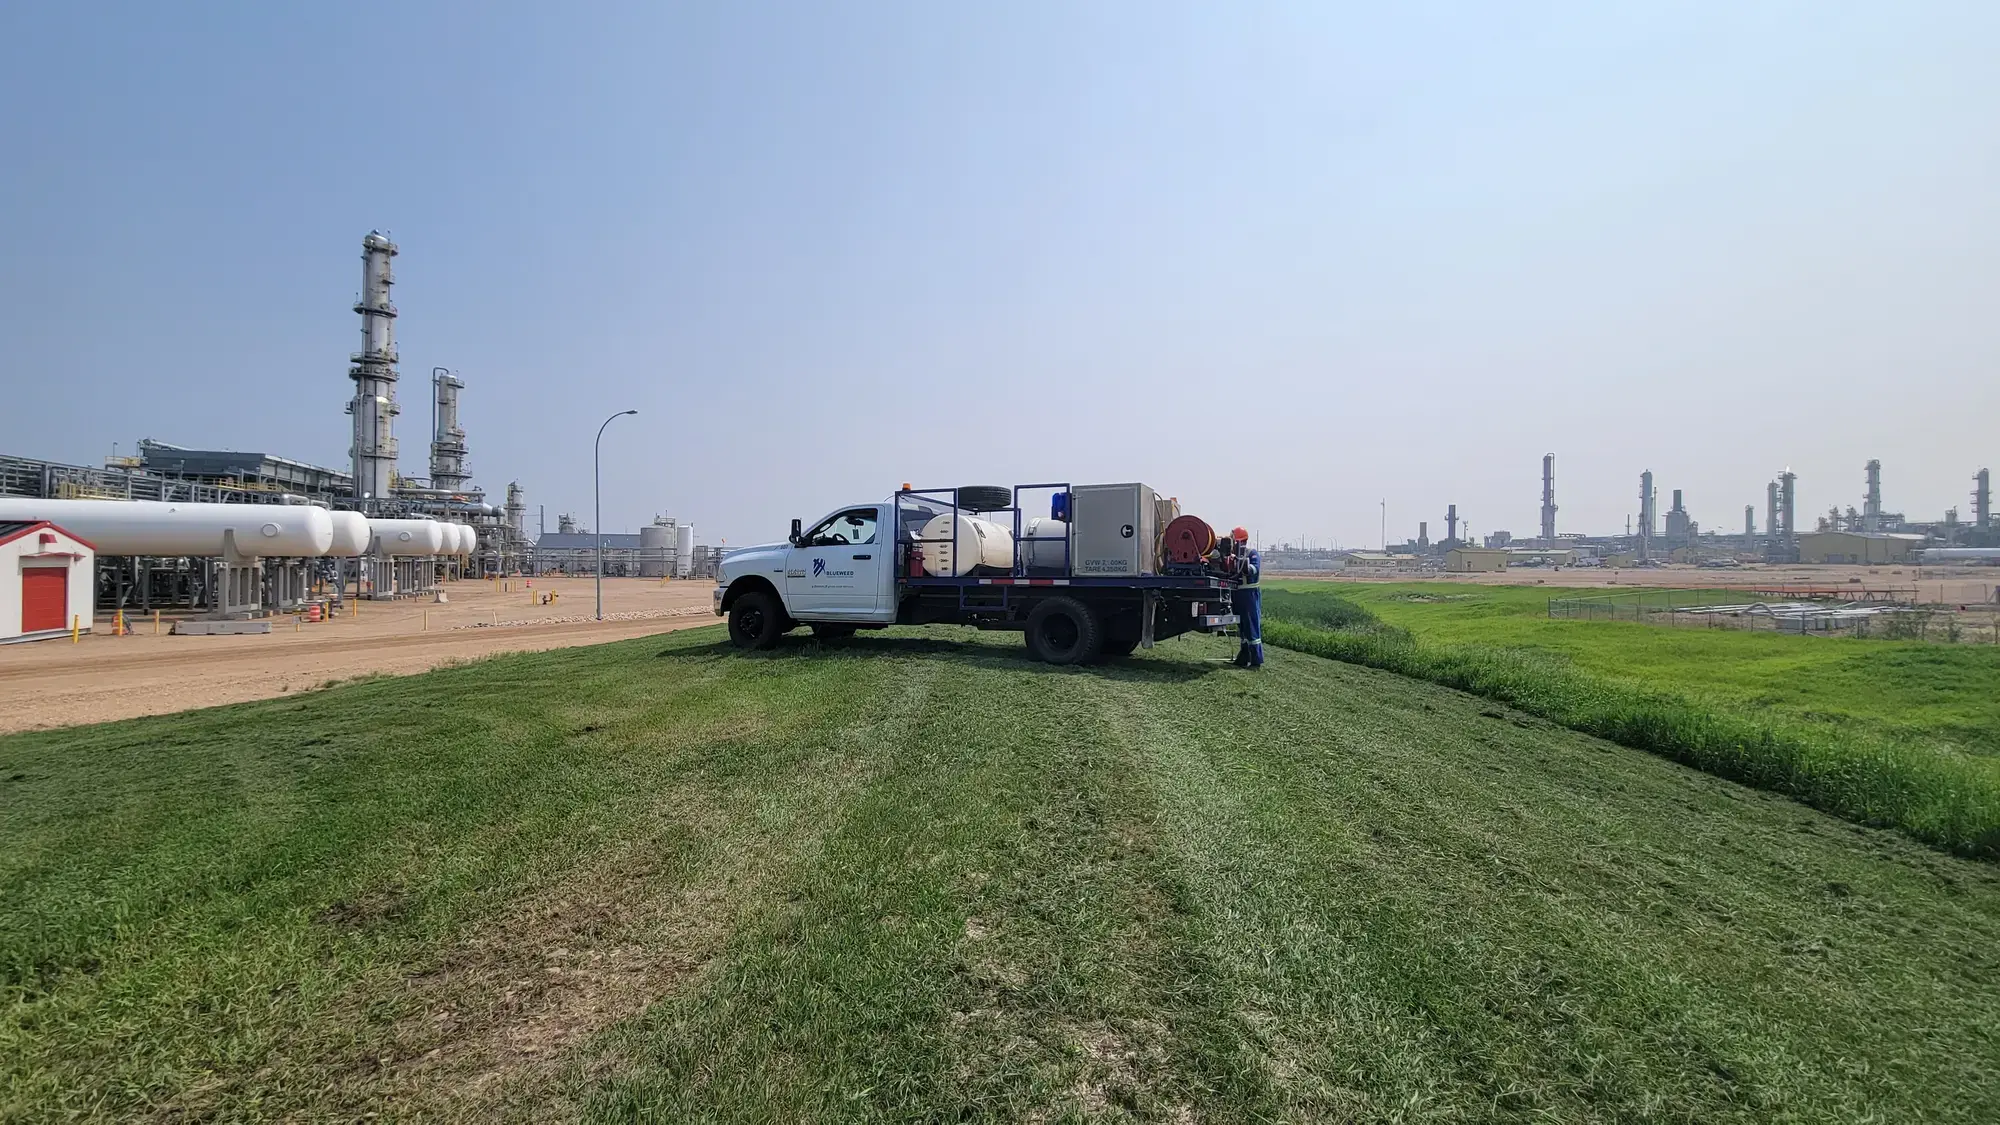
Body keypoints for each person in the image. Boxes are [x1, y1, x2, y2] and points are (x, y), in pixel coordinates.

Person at [1228, 526, 1262, 668]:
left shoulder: (1251, 553)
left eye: (1232, 541)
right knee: (1242, 627)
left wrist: (1241, 563)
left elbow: (1253, 570)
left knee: (1251, 627)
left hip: (1249, 594)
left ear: (1239, 542)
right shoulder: (1231, 555)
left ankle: (1256, 659)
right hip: (1237, 593)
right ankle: (1244, 656)